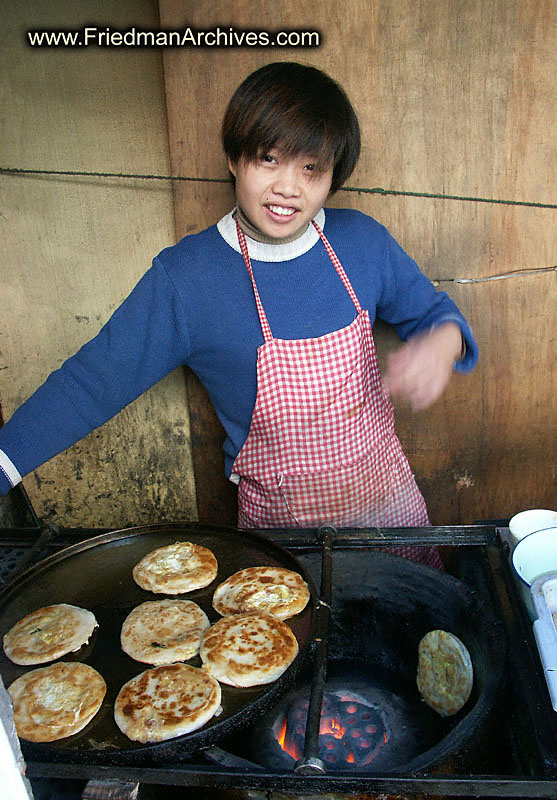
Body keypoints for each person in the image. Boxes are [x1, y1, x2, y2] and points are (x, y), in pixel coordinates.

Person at [0, 62, 477, 568]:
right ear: (233, 157)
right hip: (284, 545)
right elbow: (90, 383)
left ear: (334, 173)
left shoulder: (363, 243)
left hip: (389, 516)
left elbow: (435, 314)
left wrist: (441, 343)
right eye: (269, 159)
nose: (289, 187)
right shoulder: (188, 279)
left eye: (311, 168)